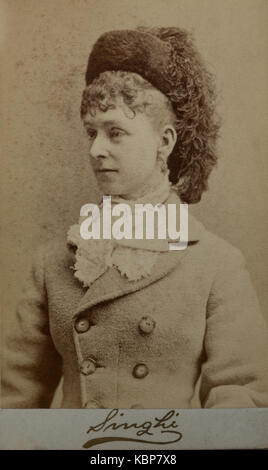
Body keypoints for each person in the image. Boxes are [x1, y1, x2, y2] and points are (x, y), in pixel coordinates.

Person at [2, 27, 268, 409]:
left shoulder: (216, 266)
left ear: (165, 142)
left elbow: (241, 401)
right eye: (91, 132)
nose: (96, 149)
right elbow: (12, 405)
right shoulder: (52, 264)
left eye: (115, 133)